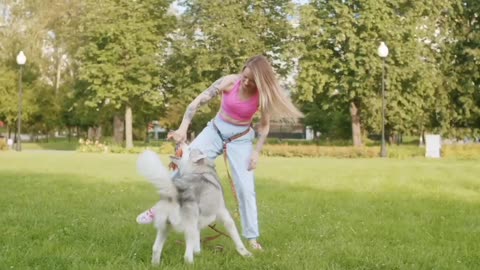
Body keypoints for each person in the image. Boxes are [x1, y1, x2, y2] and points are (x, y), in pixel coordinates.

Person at [136, 55, 303, 250]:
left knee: (245, 188)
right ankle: (159, 209)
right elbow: (196, 103)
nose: (245, 82)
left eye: (251, 81)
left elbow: (264, 127)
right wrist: (183, 128)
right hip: (215, 130)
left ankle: (252, 239)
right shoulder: (229, 82)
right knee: (184, 165)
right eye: (245, 76)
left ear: (260, 82)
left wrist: (256, 152)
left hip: (240, 139)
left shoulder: (262, 96)